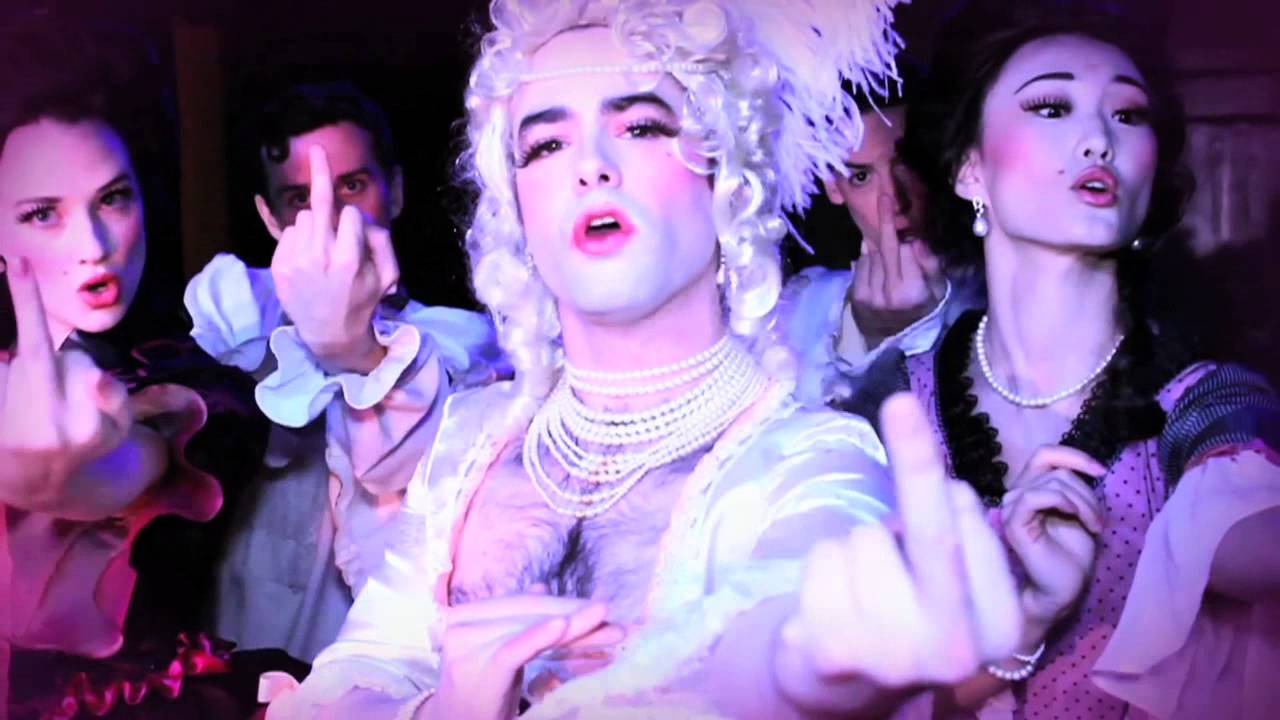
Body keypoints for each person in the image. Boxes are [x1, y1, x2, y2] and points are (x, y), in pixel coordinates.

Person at [262, 1, 1031, 718]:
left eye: (640, 127)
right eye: (546, 144)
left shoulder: (811, 459)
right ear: (516, 209)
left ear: (726, 176)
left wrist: (814, 668)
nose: (591, 166)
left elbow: (785, 618)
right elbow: (352, 675)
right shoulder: (468, 442)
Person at [876, 2, 1280, 717]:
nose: (1099, 140)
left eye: (1128, 115)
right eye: (1052, 107)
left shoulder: (1207, 404)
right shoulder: (890, 402)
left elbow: (1255, 543)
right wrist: (1031, 615)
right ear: (969, 168)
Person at [0, 20, 285, 719]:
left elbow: (138, 460)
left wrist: (52, 477)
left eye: (113, 199)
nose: (94, 244)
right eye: (43, 214)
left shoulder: (200, 380)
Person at [183, 81, 505, 663]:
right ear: (269, 216)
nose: (329, 217)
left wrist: (352, 349)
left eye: (351, 186)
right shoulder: (245, 311)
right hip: (239, 638)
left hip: (377, 657)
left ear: (395, 191)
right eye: (300, 198)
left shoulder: (458, 342)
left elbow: (407, 459)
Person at [776, 67, 962, 409]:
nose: (894, 201)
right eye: (861, 177)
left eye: (908, 165)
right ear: (834, 186)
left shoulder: (995, 295)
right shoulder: (802, 307)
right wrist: (864, 334)